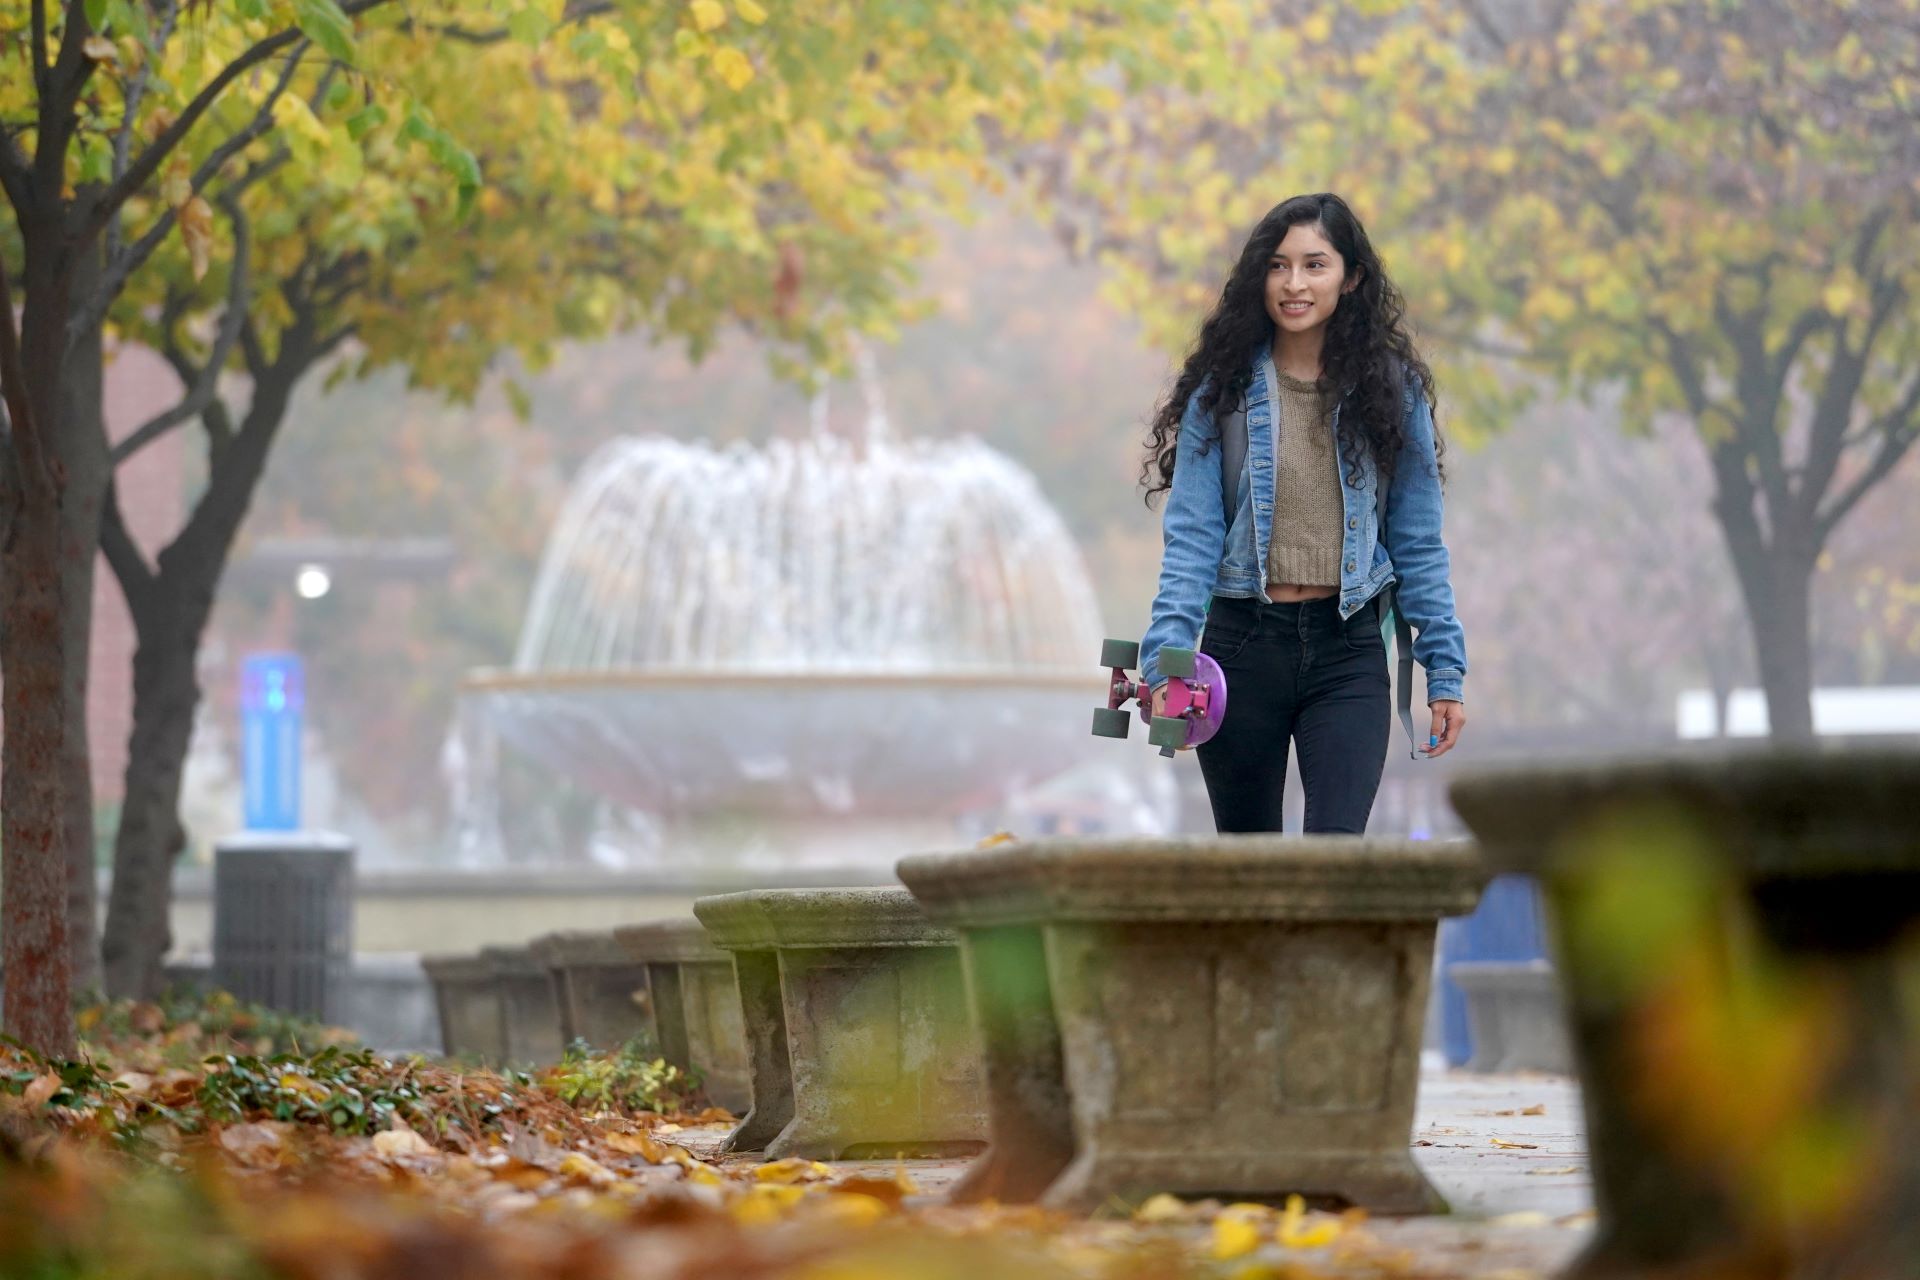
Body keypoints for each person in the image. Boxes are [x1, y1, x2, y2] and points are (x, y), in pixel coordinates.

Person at [1136, 192, 1467, 835]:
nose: (1294, 284)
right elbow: (1192, 539)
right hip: (1240, 651)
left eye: (1315, 265)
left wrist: (1444, 671)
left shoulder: (1392, 394)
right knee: (1250, 870)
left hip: (1348, 652)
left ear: (1352, 277)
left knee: (1335, 862)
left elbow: (1419, 542)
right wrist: (1165, 664)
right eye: (1278, 265)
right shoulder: (1222, 392)